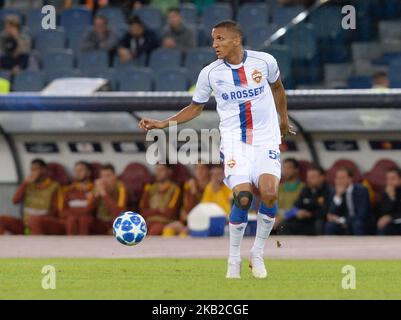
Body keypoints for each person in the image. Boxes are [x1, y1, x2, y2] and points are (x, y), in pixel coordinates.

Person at [139, 20, 295, 278]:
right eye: (213, 40)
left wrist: (284, 119)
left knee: (268, 195)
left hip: (265, 140)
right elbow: (195, 107)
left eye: (220, 39)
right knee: (243, 198)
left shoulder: (265, 61)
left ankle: (257, 253)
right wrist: (163, 123)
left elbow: (277, 88)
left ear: (236, 40)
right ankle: (233, 259)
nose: (215, 45)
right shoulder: (210, 73)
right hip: (234, 142)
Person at [0, 159, 62, 235]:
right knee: (1, 219)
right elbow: (15, 200)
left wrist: (39, 219)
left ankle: (37, 245)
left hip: (42, 223)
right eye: (31, 169)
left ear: (44, 170)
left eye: (36, 169)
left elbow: (56, 210)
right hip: (25, 223)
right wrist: (25, 183)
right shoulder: (28, 185)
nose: (33, 172)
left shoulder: (54, 186)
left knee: (35, 221)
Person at [162, 162, 210, 236]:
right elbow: (186, 207)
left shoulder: (211, 187)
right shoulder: (189, 184)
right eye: (197, 168)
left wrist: (194, 192)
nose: (199, 171)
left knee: (184, 234)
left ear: (208, 171)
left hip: (203, 221)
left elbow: (203, 208)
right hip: (187, 220)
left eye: (202, 168)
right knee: (168, 229)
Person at [281, 166, 331, 235]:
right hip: (304, 220)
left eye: (312, 177)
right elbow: (297, 205)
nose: (308, 180)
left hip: (317, 220)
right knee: (285, 224)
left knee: (319, 224)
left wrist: (310, 214)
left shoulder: (328, 191)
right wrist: (298, 212)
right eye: (308, 177)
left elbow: (326, 210)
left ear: (322, 178)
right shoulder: (305, 190)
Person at [83, 163, 127, 235]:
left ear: (115, 176)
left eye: (108, 176)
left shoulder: (121, 188)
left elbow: (119, 213)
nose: (104, 179)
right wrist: (95, 195)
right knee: (83, 220)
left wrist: (104, 194)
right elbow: (87, 211)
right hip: (100, 222)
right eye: (102, 176)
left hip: (115, 222)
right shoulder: (97, 187)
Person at [325, 167, 371, 235]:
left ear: (350, 179)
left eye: (342, 178)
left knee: (357, 224)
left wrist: (344, 221)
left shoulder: (361, 190)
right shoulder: (333, 191)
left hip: (358, 220)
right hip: (342, 221)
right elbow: (331, 213)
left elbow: (362, 213)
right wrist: (338, 196)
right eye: (337, 178)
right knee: (330, 225)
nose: (339, 181)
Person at [139, 163, 181, 235]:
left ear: (169, 171)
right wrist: (159, 210)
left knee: (154, 231)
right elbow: (142, 211)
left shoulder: (175, 189)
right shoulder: (150, 188)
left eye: (161, 170)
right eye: (157, 170)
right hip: (147, 222)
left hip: (165, 222)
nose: (158, 173)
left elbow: (170, 213)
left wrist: (151, 212)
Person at [61, 161, 95, 235]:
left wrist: (75, 212)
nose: (78, 173)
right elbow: (62, 210)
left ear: (88, 172)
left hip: (88, 220)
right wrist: (74, 215)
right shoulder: (68, 189)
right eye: (76, 170)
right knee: (71, 220)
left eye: (81, 170)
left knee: (83, 219)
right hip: (71, 219)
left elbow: (91, 209)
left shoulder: (95, 188)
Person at [377, 168, 401, 235]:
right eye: (387, 179)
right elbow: (384, 212)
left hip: (397, 219)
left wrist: (391, 217)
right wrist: (391, 198)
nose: (389, 182)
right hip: (392, 221)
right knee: (382, 225)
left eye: (393, 179)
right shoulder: (385, 192)